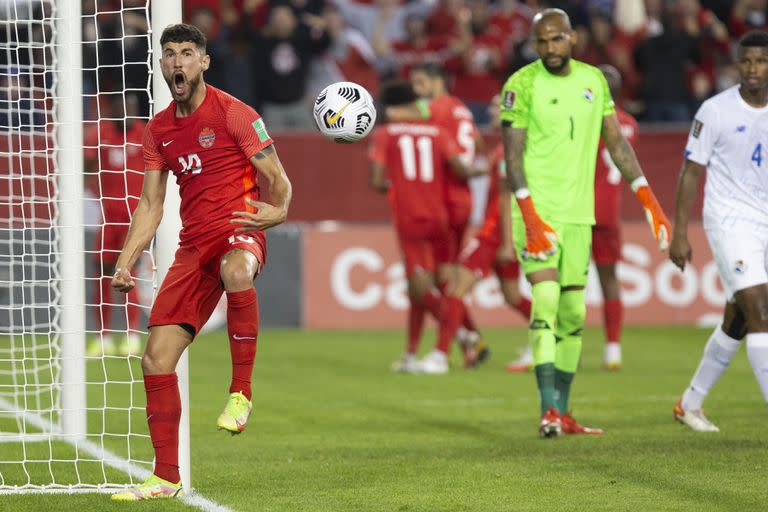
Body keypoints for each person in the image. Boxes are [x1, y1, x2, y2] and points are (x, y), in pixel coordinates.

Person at [109, 24, 292, 500]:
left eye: (186, 53)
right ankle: (166, 477)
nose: (176, 63)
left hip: (239, 228)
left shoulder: (235, 113)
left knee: (236, 272)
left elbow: (277, 177)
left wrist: (281, 208)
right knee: (155, 359)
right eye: (168, 54)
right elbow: (151, 205)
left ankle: (241, 393)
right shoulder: (159, 128)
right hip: (194, 247)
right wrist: (127, 261)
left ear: (204, 62)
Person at [500, 9, 670, 437]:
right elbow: (512, 158)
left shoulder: (594, 82)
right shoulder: (521, 84)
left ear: (572, 38)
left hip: (579, 215)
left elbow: (616, 142)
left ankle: (563, 411)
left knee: (574, 313)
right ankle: (546, 412)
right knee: (547, 302)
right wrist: (529, 214)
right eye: (541, 42)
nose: (549, 49)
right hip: (535, 212)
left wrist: (647, 196)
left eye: (556, 40)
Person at [506, 64, 638, 373]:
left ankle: (548, 345)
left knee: (555, 285)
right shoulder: (629, 124)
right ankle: (613, 349)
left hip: (576, 207)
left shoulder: (585, 114)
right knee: (609, 280)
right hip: (610, 211)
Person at [670, 31, 768, 433]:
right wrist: (679, 233)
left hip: (764, 219)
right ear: (737, 64)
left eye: (761, 62)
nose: (753, 69)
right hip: (728, 220)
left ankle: (689, 404)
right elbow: (690, 171)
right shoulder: (714, 111)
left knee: (739, 317)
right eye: (746, 62)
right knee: (761, 310)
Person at [369, 80, 477, 374]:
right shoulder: (439, 133)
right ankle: (411, 352)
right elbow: (460, 168)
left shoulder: (385, 134)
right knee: (422, 287)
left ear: (391, 108)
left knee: (421, 288)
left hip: (411, 219)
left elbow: (377, 182)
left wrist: (400, 184)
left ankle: (465, 336)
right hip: (440, 218)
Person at [85, 93, 147, 358]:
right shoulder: (101, 134)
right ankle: (103, 338)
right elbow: (87, 165)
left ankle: (132, 336)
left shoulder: (144, 134)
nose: (126, 112)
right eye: (121, 107)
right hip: (108, 216)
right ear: (111, 109)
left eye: (131, 108)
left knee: (128, 272)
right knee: (101, 272)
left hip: (134, 218)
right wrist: (92, 190)